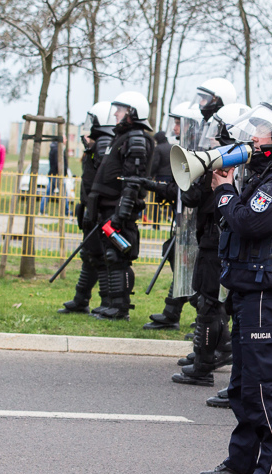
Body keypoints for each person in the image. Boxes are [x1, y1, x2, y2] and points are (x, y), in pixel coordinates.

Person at [197, 102, 272, 474]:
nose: (253, 137)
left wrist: (224, 191)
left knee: (264, 387)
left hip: (268, 293)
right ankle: (242, 461)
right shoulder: (265, 175)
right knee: (243, 386)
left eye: (261, 131)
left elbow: (249, 222)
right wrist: (226, 191)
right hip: (249, 289)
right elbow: (234, 219)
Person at [170, 78, 238, 387]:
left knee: (209, 301)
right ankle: (210, 353)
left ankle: (204, 365)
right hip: (210, 235)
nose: (211, 136)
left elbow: (199, 197)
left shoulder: (228, 160)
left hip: (216, 236)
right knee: (206, 297)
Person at [82, 91, 155, 320]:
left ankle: (120, 308)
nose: (115, 114)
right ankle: (110, 303)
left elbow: (133, 179)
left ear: (132, 112)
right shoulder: (123, 137)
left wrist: (121, 213)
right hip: (109, 208)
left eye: (120, 110)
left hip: (119, 210)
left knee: (117, 257)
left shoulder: (136, 139)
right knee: (108, 256)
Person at [142, 102, 202, 331]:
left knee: (192, 268)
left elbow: (190, 191)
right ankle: (171, 313)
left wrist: (159, 188)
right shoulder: (184, 150)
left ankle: (205, 317)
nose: (175, 128)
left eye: (179, 123)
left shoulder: (198, 151)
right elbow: (179, 190)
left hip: (197, 222)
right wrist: (158, 188)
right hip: (184, 219)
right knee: (180, 264)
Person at [58, 101, 114, 315]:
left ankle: (107, 301)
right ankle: (81, 299)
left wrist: (96, 209)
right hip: (89, 207)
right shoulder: (96, 145)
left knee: (99, 256)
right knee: (89, 255)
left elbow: (102, 179)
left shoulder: (103, 144)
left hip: (98, 210)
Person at [41, 135, 68, 216]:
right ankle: (66, 211)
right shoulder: (57, 149)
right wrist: (62, 172)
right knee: (63, 194)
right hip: (57, 175)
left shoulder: (56, 148)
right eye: (65, 138)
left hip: (54, 174)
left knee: (48, 193)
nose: (66, 140)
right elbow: (58, 163)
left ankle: (42, 209)